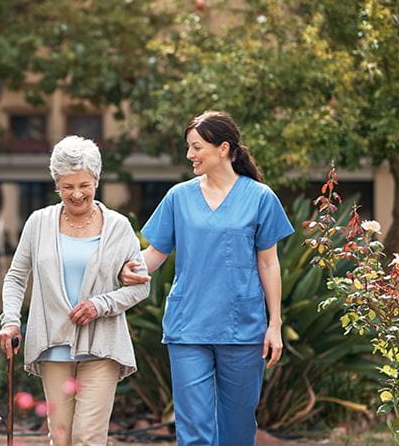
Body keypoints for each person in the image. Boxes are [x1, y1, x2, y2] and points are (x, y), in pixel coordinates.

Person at [120, 111, 294, 445]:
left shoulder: (260, 198)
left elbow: (269, 264)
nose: (190, 155)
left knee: (238, 427)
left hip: (242, 328)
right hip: (189, 327)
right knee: (193, 429)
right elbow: (156, 253)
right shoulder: (178, 197)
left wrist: (274, 325)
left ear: (224, 148)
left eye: (197, 147)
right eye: (189, 147)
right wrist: (127, 267)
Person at [0, 135, 150, 446]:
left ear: (96, 179)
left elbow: (139, 288)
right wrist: (10, 320)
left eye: (84, 185)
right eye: (68, 187)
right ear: (56, 183)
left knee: (88, 437)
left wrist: (100, 304)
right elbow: (16, 277)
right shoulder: (38, 223)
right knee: (61, 436)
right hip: (53, 344)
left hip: (102, 345)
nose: (77, 194)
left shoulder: (118, 227)